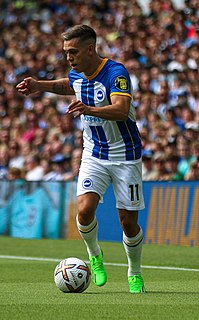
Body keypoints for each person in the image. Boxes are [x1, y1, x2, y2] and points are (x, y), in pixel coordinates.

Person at [16, 24, 146, 294]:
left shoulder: (116, 73)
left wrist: (89, 109)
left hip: (125, 155)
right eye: (65, 53)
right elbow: (69, 84)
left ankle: (134, 272)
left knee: (128, 223)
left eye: (73, 52)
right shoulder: (77, 72)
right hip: (94, 153)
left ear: (90, 49)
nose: (68, 58)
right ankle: (94, 256)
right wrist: (40, 85)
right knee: (84, 211)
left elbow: (122, 110)